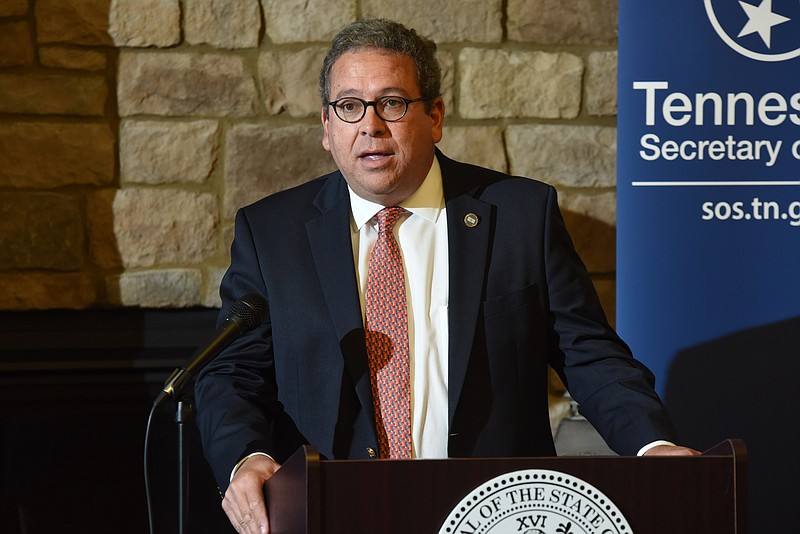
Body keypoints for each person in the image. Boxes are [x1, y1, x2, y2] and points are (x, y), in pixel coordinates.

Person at [194, 18, 699, 534]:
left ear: (434, 116)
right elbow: (231, 372)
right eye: (349, 106)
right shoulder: (271, 232)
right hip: (330, 512)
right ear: (327, 127)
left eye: (391, 103)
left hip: (496, 514)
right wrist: (245, 456)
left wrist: (651, 444)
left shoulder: (521, 216)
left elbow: (588, 352)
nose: (370, 126)